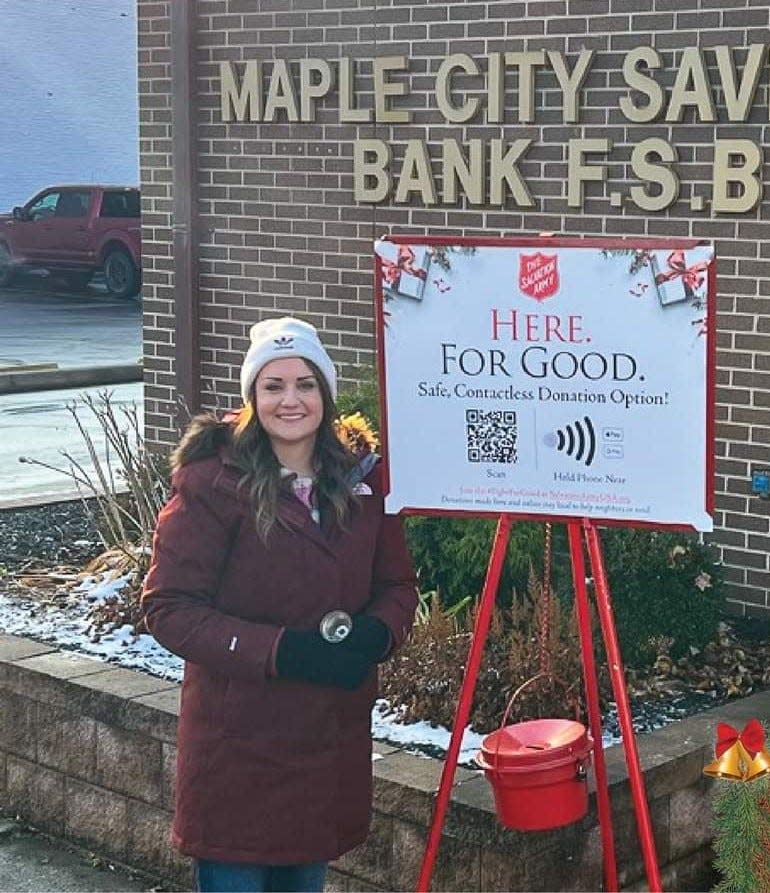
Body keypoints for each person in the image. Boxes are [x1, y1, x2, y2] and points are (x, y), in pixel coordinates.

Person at [141, 317, 418, 893]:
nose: (291, 400)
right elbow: (170, 606)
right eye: (273, 386)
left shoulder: (365, 482)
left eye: (306, 384)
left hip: (326, 743)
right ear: (251, 398)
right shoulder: (211, 482)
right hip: (239, 746)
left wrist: (377, 634)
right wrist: (281, 652)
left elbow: (397, 586)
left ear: (327, 394)